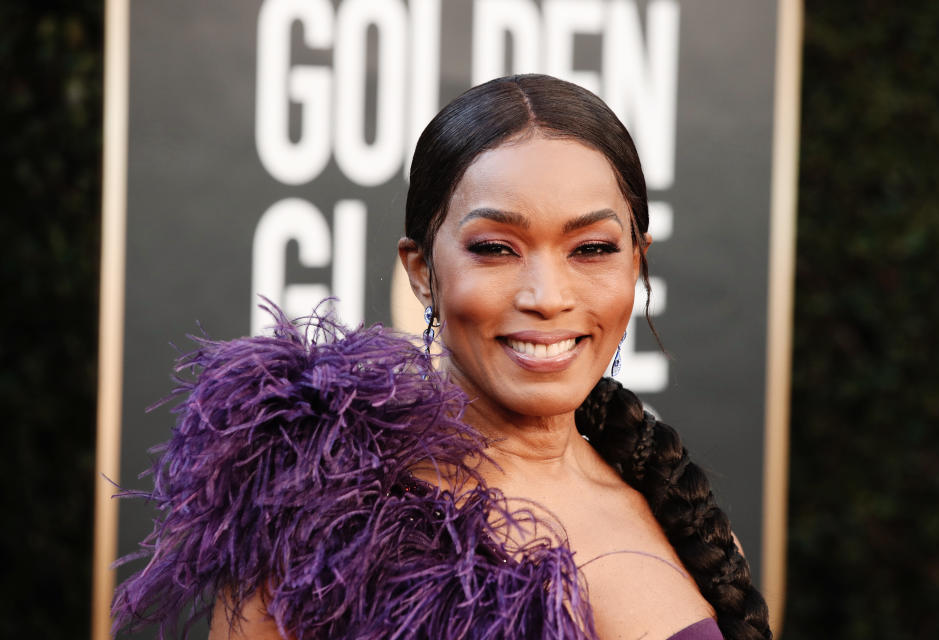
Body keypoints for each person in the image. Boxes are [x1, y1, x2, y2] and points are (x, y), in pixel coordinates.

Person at [112, 74, 771, 640]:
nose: (547, 297)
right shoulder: (323, 526)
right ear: (422, 271)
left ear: (638, 262)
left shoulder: (676, 510)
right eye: (494, 248)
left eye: (592, 249)